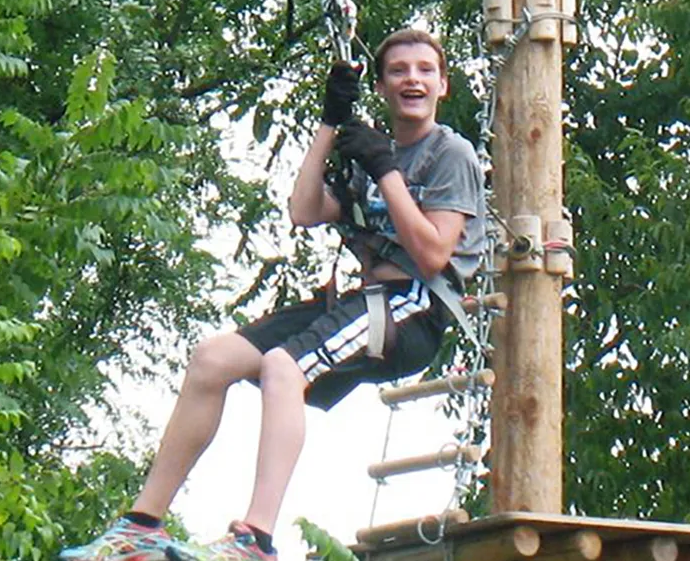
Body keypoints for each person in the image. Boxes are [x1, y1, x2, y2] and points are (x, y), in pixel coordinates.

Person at [58, 28, 485, 561]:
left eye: (425, 70)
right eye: (399, 71)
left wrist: (386, 172)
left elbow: (434, 255)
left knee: (284, 367)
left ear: (442, 84)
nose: (412, 80)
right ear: (381, 87)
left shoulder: (450, 154)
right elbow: (304, 211)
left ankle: (255, 539)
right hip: (360, 303)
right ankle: (143, 524)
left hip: (414, 308)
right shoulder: (371, 152)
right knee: (213, 359)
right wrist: (331, 124)